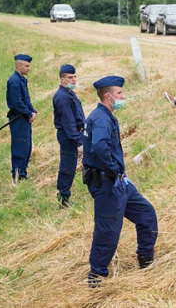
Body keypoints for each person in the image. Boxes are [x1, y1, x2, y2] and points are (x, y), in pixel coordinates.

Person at [83, 76, 158, 287]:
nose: (122, 97)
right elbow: (98, 147)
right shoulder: (100, 118)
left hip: (119, 183)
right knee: (107, 232)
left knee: (146, 214)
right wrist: (114, 169)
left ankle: (146, 261)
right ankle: (96, 279)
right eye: (119, 93)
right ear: (108, 96)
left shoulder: (106, 116)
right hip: (107, 185)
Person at [52, 64, 85, 207]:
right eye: (70, 77)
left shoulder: (69, 93)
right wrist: (78, 141)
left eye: (75, 76)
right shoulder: (62, 97)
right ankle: (63, 199)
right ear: (62, 79)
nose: (73, 80)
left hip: (75, 133)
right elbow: (68, 122)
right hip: (68, 136)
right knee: (67, 167)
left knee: (70, 166)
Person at [6, 54, 37, 182]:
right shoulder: (14, 81)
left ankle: (23, 172)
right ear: (19, 66)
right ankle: (17, 176)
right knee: (20, 146)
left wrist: (32, 110)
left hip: (24, 118)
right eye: (27, 66)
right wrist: (28, 114)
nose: (29, 68)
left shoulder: (21, 80)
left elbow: (26, 99)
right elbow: (17, 103)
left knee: (27, 146)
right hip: (18, 118)